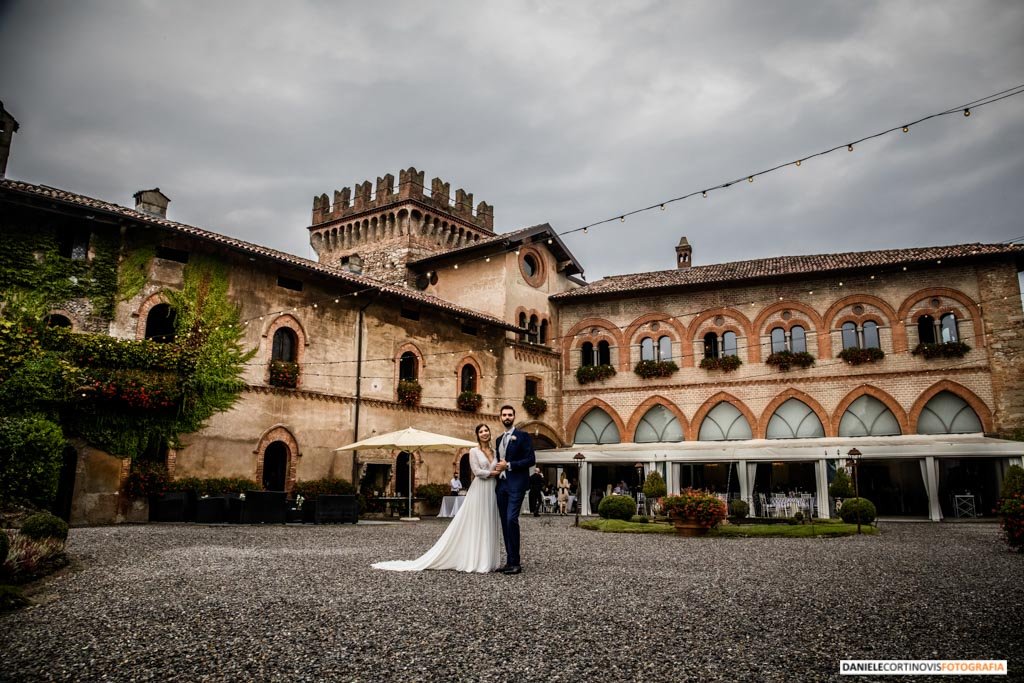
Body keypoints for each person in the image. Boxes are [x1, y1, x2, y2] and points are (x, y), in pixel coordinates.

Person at [371, 424, 502, 573]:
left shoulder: (495, 451)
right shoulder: (473, 451)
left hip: (493, 489)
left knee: (489, 521)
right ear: (477, 435)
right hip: (480, 489)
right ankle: (477, 560)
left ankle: (488, 559)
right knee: (478, 522)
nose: (484, 433)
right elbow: (477, 472)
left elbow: (500, 466)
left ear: (490, 433)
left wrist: (500, 471)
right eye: (481, 431)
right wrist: (494, 473)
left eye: (486, 430)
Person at [494, 404, 536, 575]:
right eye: (504, 415)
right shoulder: (498, 440)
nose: (507, 417)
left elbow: (531, 459)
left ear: (514, 417)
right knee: (504, 523)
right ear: (500, 417)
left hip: (516, 485)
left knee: (512, 519)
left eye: (510, 415)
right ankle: (509, 561)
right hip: (501, 486)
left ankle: (516, 563)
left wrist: (509, 465)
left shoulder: (522, 436)